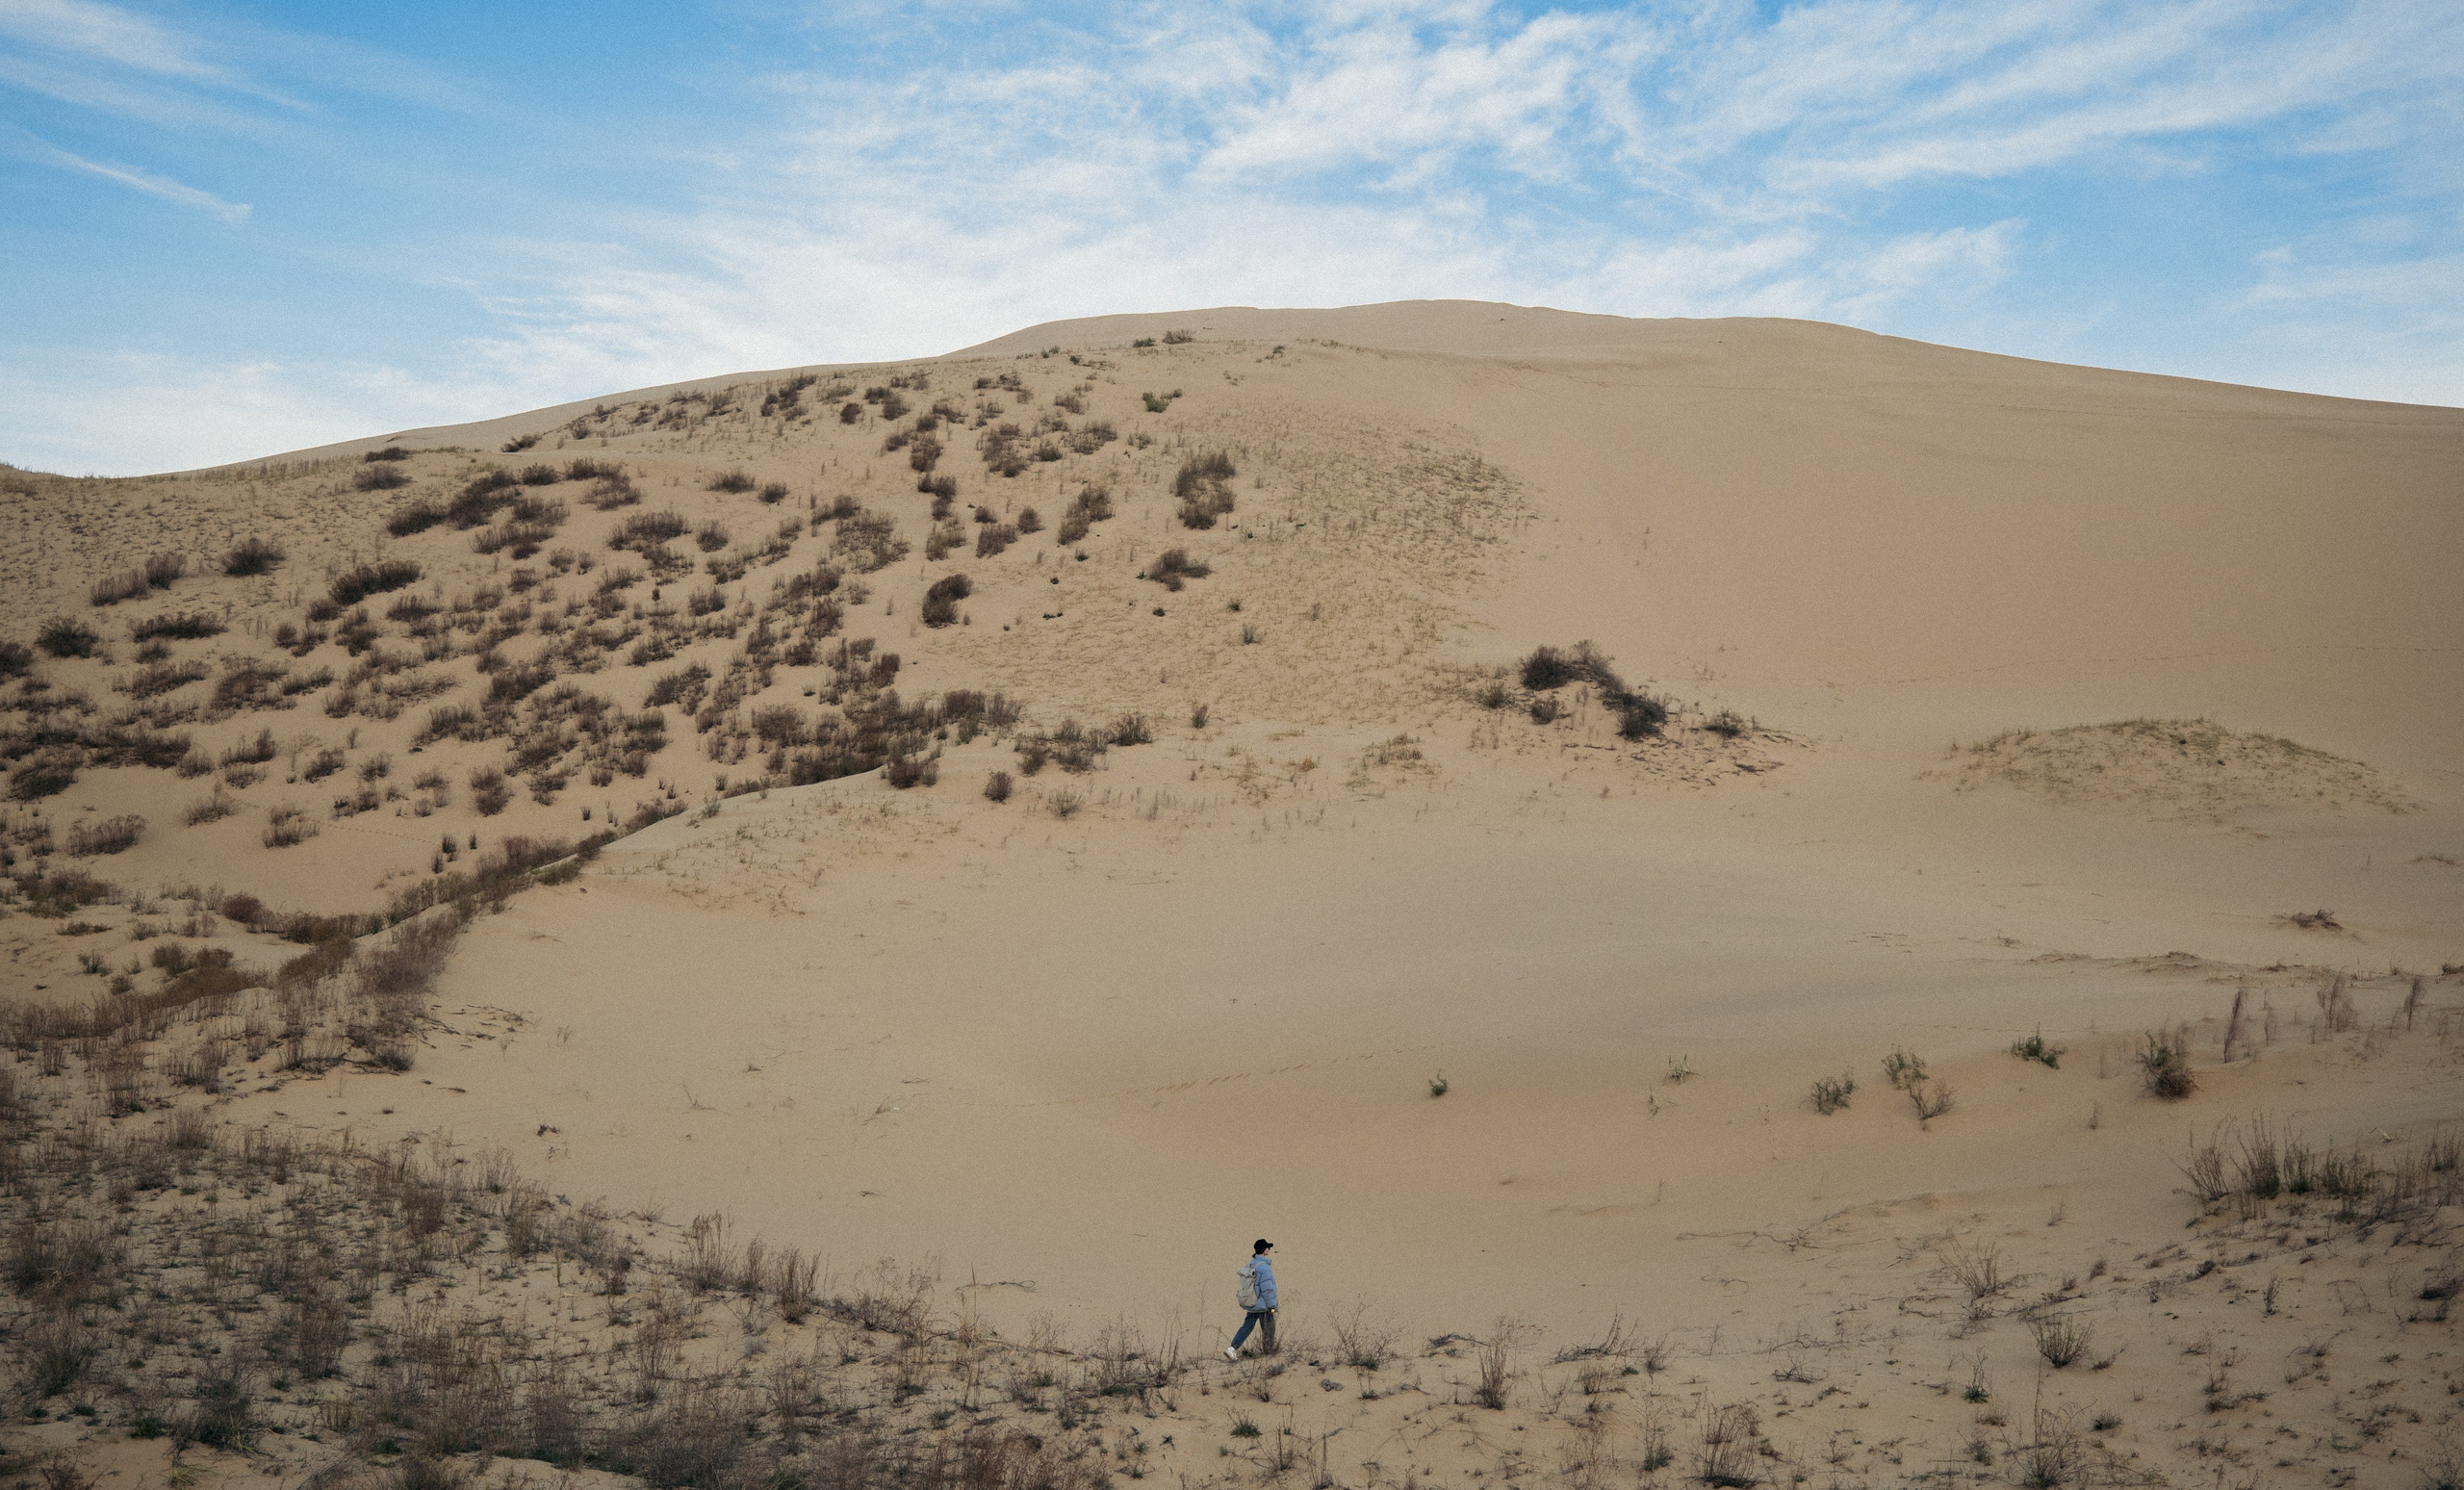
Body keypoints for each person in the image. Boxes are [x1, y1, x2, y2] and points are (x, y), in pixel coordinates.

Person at [1224, 1239, 1277, 1360]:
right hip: (1264, 1307)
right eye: (1267, 1247)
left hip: (1252, 1305)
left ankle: (1232, 1349)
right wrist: (1272, 1306)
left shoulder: (1249, 1264)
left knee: (1247, 1327)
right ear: (1264, 1250)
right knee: (1269, 1327)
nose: (1269, 1249)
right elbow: (1267, 1289)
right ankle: (1268, 1355)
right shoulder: (1264, 1268)